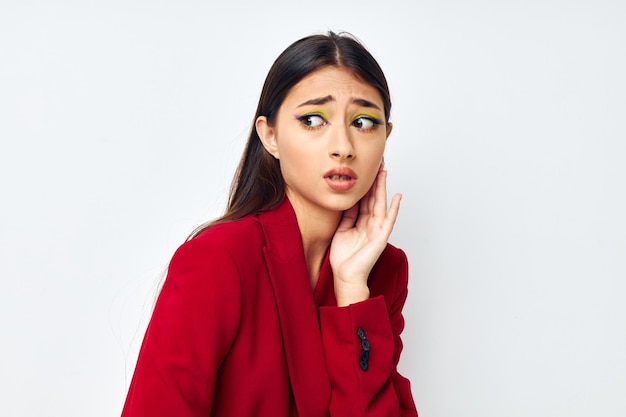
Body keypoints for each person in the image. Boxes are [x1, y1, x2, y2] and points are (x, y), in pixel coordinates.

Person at [121, 31, 418, 417]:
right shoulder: (218, 259)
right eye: (313, 119)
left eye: (363, 122)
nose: (343, 146)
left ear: (385, 137)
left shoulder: (383, 270)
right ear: (270, 135)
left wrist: (351, 290)